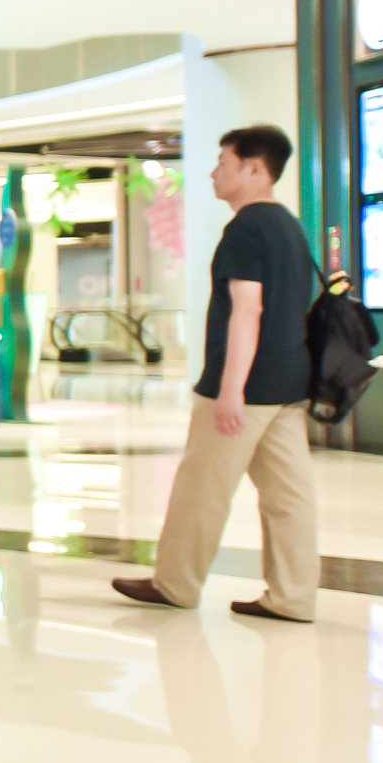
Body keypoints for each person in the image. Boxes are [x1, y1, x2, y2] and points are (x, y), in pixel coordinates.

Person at [113, 126, 319, 621]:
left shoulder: (246, 228)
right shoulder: (289, 226)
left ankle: (175, 583)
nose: (212, 173)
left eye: (223, 163)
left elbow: (247, 311)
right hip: (289, 385)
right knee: (289, 497)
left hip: (246, 387)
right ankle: (292, 597)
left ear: (255, 168)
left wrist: (230, 390)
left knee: (202, 489)